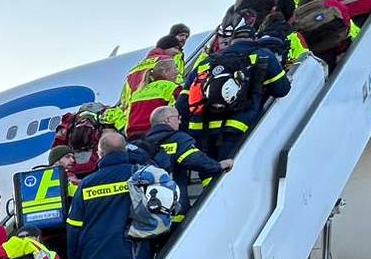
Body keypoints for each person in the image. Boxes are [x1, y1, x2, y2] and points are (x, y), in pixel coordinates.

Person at [67, 132, 153, 259]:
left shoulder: (87, 184)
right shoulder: (141, 176)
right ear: (125, 150)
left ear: (100, 153)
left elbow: (73, 229)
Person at [189, 21, 291, 162]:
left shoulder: (208, 61)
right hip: (239, 124)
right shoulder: (263, 55)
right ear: (254, 39)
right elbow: (282, 89)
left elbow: (184, 98)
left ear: (231, 41)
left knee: (210, 174)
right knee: (230, 169)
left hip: (202, 127)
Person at [139, 106, 233, 202]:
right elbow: (194, 159)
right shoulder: (179, 139)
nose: (180, 122)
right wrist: (218, 165)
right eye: (178, 118)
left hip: (150, 205)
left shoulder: (141, 145)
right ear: (168, 120)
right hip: (175, 202)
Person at [122, 58, 181, 139]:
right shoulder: (171, 87)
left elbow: (128, 117)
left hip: (133, 136)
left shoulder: (138, 91)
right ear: (165, 72)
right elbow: (180, 108)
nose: (177, 72)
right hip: (156, 135)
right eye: (175, 68)